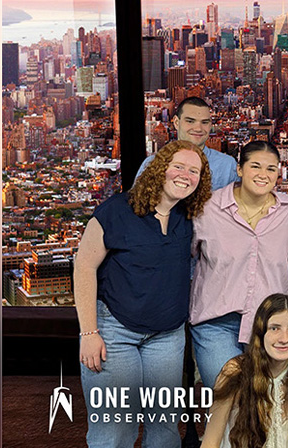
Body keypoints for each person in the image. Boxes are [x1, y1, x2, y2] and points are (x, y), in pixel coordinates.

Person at [74, 140, 212, 448]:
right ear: (159, 169)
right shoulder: (117, 210)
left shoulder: (188, 216)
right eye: (178, 166)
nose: (185, 176)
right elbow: (83, 267)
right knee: (115, 429)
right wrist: (89, 332)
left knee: (164, 428)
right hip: (115, 333)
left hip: (168, 337)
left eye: (194, 171)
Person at [189, 140, 288, 400]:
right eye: (256, 166)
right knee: (226, 403)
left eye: (271, 169)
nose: (264, 174)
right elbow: (184, 259)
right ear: (239, 169)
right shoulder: (207, 209)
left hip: (270, 325)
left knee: (265, 405)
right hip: (216, 322)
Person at [201, 294, 288, 448]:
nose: (284, 338)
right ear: (260, 333)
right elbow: (210, 443)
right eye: (275, 328)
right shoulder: (235, 371)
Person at [136, 96, 240, 191]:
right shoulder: (152, 164)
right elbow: (138, 204)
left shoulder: (228, 166)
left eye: (204, 122)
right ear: (176, 122)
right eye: (190, 121)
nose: (198, 128)